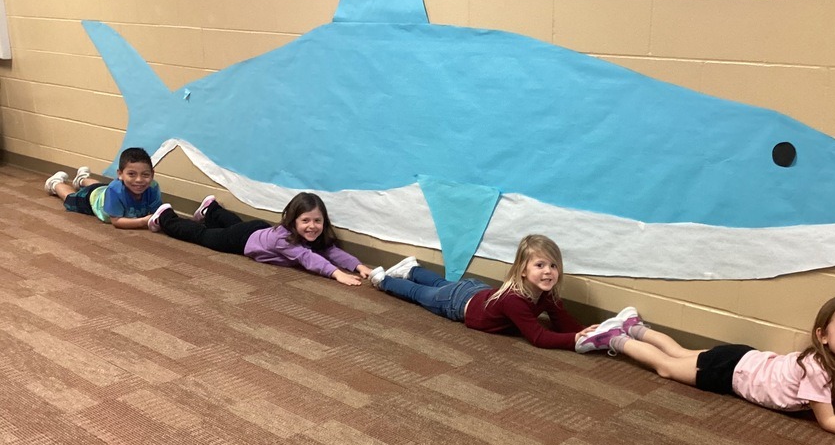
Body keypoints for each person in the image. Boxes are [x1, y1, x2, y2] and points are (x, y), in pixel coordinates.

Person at [577, 294, 835, 445]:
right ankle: (616, 338)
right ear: (823, 335)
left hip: (747, 357)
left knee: (682, 352)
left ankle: (634, 326)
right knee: (668, 367)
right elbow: (829, 420)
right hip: (733, 372)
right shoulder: (817, 367)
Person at [369, 234, 596, 349]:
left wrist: (589, 332)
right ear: (523, 271)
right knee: (420, 295)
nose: (548, 272)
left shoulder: (547, 294)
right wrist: (575, 339)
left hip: (476, 290)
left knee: (440, 284)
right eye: (540, 265)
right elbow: (537, 337)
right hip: (458, 304)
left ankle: (412, 268)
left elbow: (562, 322)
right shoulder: (514, 300)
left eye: (553, 266)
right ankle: (383, 280)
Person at [148, 192, 372, 286]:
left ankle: (212, 209)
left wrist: (358, 265)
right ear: (293, 221)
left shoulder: (307, 234)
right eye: (305, 220)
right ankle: (166, 216)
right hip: (241, 241)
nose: (312, 226)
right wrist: (337, 274)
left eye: (317, 221)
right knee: (202, 235)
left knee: (235, 224)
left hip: (259, 230)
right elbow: (307, 258)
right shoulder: (285, 240)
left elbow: (331, 250)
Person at [44, 147, 162, 229]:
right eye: (131, 174)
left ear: (152, 174)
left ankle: (81, 179)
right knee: (70, 198)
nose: (139, 180)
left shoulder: (153, 187)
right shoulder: (115, 190)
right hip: (92, 200)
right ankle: (55, 184)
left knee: (99, 186)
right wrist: (142, 221)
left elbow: (156, 211)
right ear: (120, 174)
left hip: (103, 190)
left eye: (145, 174)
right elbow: (116, 221)